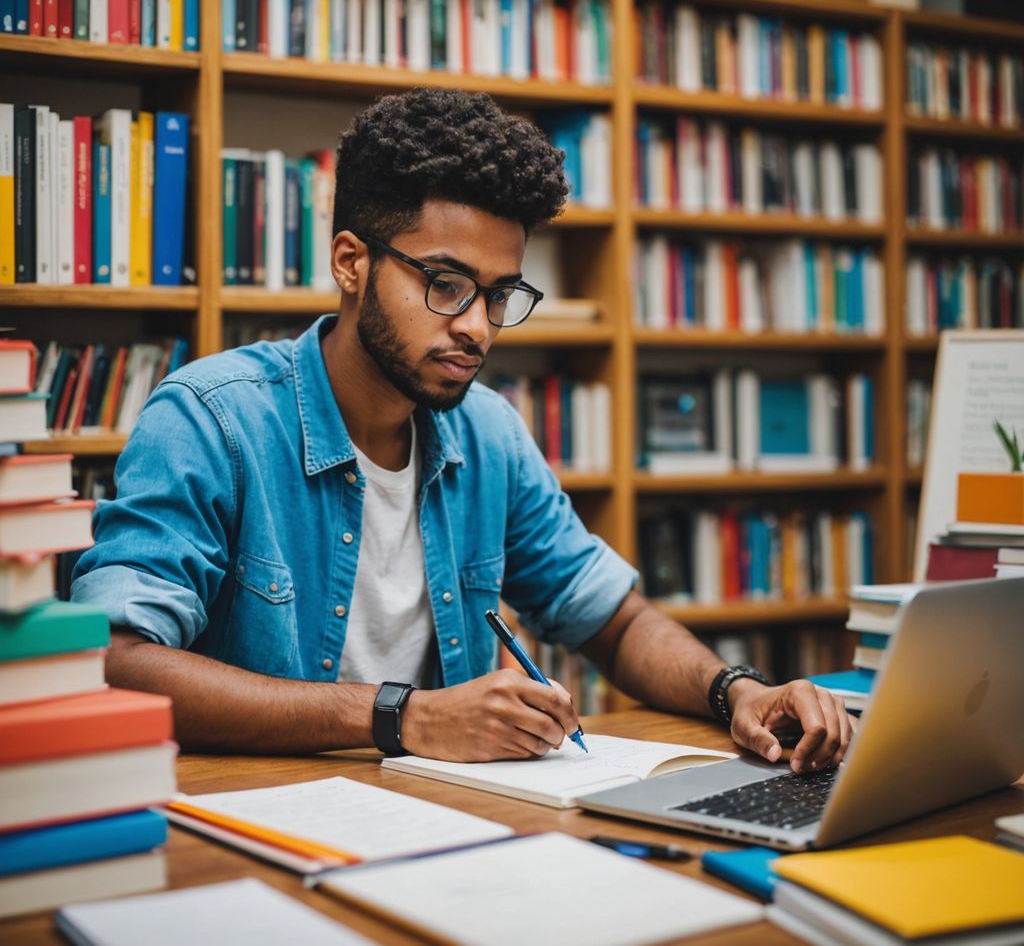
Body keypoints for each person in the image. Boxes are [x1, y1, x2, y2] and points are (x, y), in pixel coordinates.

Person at [72, 87, 852, 771]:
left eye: (500, 294)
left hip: (447, 819)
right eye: (446, 285)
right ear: (351, 261)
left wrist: (738, 691)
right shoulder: (212, 419)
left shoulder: (488, 433)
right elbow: (118, 660)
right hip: (258, 826)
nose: (478, 328)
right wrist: (404, 717)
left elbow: (613, 620)